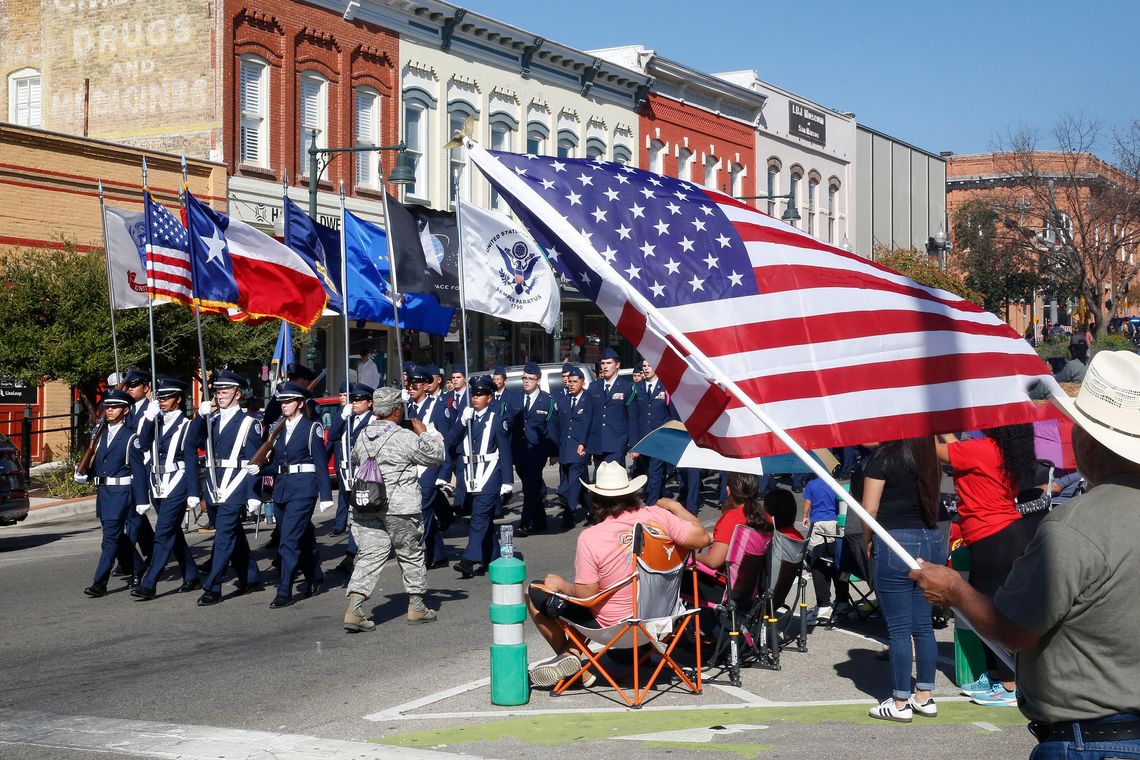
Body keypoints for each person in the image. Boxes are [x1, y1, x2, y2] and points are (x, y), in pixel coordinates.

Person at [912, 350, 1140, 759]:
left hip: (1092, 739)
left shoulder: (1077, 526)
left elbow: (1015, 631)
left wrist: (954, 590)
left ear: (1086, 439)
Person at [524, 462, 712, 686]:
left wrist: (561, 585)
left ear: (595, 500)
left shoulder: (592, 537)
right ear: (631, 493)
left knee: (534, 591)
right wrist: (675, 506)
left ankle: (574, 662)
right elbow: (703, 539)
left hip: (615, 628)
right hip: (662, 619)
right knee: (603, 594)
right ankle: (571, 656)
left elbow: (585, 596)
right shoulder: (658, 516)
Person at [936, 423, 1039, 706]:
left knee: (986, 612)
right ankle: (1002, 675)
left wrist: (919, 425)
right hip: (1008, 532)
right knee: (1001, 609)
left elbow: (938, 452)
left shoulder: (981, 449)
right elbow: (953, 446)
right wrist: (941, 427)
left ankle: (1008, 685)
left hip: (990, 536)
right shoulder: (1005, 453)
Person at [860, 437, 947, 723]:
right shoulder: (928, 455)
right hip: (931, 538)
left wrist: (868, 540)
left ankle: (899, 701)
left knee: (898, 629)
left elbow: (869, 510)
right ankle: (924, 695)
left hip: (895, 539)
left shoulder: (883, 457)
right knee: (923, 627)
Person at [344, 386, 445, 631]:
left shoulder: (363, 434)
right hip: (400, 507)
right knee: (410, 554)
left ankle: (355, 608)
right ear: (397, 410)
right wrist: (426, 433)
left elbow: (357, 458)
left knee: (370, 555)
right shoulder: (404, 436)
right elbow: (435, 457)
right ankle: (417, 606)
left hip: (366, 504)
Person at [258, 381, 333, 609]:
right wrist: (260, 469)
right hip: (282, 489)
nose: (284, 405)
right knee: (300, 537)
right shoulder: (279, 430)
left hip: (304, 489)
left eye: (289, 401)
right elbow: (279, 464)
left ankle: (285, 591)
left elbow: (320, 462)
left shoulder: (312, 428)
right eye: (282, 401)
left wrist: (326, 495)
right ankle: (314, 575)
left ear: (300, 403)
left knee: (288, 540)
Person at [193, 370, 264, 607]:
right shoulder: (210, 420)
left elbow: (253, 462)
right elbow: (191, 443)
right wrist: (199, 418)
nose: (219, 395)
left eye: (224, 391)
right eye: (217, 391)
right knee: (233, 535)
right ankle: (251, 577)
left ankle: (213, 587)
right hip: (213, 485)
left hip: (235, 486)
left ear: (237, 393)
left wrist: (253, 494)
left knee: (223, 536)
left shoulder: (248, 423)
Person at [129, 378, 202, 600]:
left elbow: (190, 459)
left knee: (162, 533)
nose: (162, 402)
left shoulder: (187, 424)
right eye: (160, 398)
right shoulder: (155, 422)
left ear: (178, 400)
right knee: (173, 533)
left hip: (177, 482)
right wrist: (149, 418)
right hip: (158, 483)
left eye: (167, 398)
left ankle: (149, 583)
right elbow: (140, 444)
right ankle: (192, 574)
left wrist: (193, 492)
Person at [76, 389, 146, 597]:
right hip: (104, 493)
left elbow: (139, 471)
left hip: (122, 493)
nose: (110, 411)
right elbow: (95, 461)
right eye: (108, 407)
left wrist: (142, 499)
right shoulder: (99, 435)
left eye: (115, 407)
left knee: (109, 539)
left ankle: (100, 582)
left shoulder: (131, 437)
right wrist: (84, 474)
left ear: (125, 410)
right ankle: (138, 566)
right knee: (118, 537)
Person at [447, 375, 514, 578]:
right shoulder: (466, 417)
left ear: (490, 398)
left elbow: (505, 451)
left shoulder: (497, 419)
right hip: (470, 476)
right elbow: (449, 442)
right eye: (473, 394)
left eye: (480, 394)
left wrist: (507, 481)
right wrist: (460, 422)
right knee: (483, 519)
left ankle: (469, 559)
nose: (475, 398)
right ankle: (493, 557)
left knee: (479, 517)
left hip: (490, 475)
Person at [693, 472, 772, 603]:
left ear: (728, 490)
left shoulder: (731, 518)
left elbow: (714, 562)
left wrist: (692, 556)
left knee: (680, 575)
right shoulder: (766, 518)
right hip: (750, 588)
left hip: (724, 587)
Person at [405, 366, 455, 568]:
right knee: (427, 514)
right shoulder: (407, 408)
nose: (411, 388)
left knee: (422, 509)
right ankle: (439, 554)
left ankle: (415, 555)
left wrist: (444, 474)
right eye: (409, 385)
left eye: (415, 385)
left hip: (430, 467)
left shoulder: (438, 407)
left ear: (426, 386)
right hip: (413, 466)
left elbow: (446, 443)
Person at [511, 362, 555, 538]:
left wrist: (553, 452)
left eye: (531, 379)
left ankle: (526, 523)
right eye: (524, 378)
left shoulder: (547, 400)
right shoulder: (515, 398)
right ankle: (541, 519)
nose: (526, 381)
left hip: (537, 451)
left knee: (529, 486)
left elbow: (551, 428)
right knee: (533, 485)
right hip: (519, 450)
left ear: (538, 380)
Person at [548, 366, 594, 528]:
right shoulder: (563, 400)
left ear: (582, 382)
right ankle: (591, 509)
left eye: (575, 382)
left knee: (572, 483)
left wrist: (585, 444)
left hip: (580, 448)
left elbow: (590, 424)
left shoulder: (589, 399)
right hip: (565, 448)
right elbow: (556, 426)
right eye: (570, 382)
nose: (571, 384)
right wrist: (554, 450)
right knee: (575, 483)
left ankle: (569, 512)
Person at [328, 382, 375, 538]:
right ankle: (347, 532)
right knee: (347, 499)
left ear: (370, 402)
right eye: (353, 399)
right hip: (347, 469)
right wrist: (342, 416)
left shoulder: (373, 419)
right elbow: (333, 435)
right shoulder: (348, 418)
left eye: (359, 399)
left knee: (365, 507)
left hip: (364, 470)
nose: (354, 402)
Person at [629, 358, 678, 506]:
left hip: (661, 437)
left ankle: (651, 505)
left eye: (649, 365)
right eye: (644, 365)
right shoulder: (637, 388)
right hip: (644, 438)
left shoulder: (665, 387)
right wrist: (634, 443)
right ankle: (659, 499)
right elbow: (634, 417)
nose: (646, 368)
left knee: (655, 472)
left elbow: (672, 414)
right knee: (651, 472)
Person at [801, 474, 845, 620]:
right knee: (835, 555)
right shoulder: (834, 483)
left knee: (816, 555)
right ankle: (842, 599)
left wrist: (805, 516)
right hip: (832, 520)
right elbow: (840, 503)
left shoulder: (812, 484)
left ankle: (823, 602)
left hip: (818, 521)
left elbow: (808, 501)